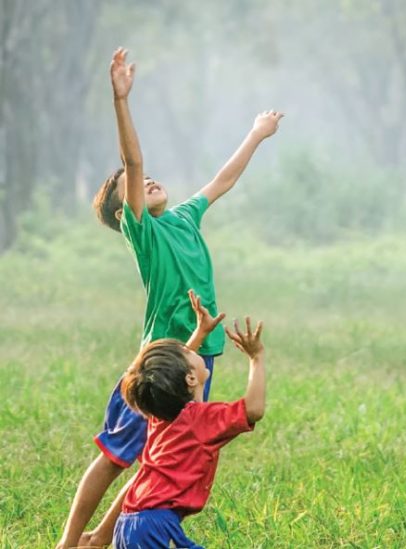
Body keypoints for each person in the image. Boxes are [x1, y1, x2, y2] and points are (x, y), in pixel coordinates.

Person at [56, 46, 282, 548]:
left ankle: (105, 538)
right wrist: (121, 101)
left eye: (147, 180)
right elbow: (132, 159)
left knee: (161, 451)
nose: (146, 179)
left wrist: (256, 134)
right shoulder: (144, 232)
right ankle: (70, 542)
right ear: (125, 211)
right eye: (131, 186)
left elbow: (222, 180)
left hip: (199, 354)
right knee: (117, 453)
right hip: (158, 361)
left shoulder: (182, 218)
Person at [112, 308, 266, 548]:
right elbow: (254, 409)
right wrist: (256, 358)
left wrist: (200, 332)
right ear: (191, 379)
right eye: (187, 351)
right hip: (154, 525)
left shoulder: (161, 414)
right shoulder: (201, 419)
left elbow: (174, 374)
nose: (190, 349)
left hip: (129, 523)